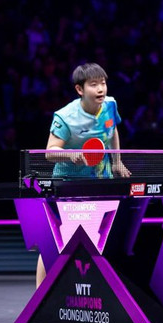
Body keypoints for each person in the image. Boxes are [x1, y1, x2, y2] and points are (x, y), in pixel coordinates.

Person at [36, 63, 130, 287]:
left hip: (101, 181)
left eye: (103, 83)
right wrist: (70, 155)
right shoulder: (65, 117)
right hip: (69, 184)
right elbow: (50, 152)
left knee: (101, 237)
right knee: (58, 240)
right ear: (80, 89)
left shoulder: (110, 105)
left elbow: (112, 131)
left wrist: (117, 162)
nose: (100, 89)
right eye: (94, 84)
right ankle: (40, 293)